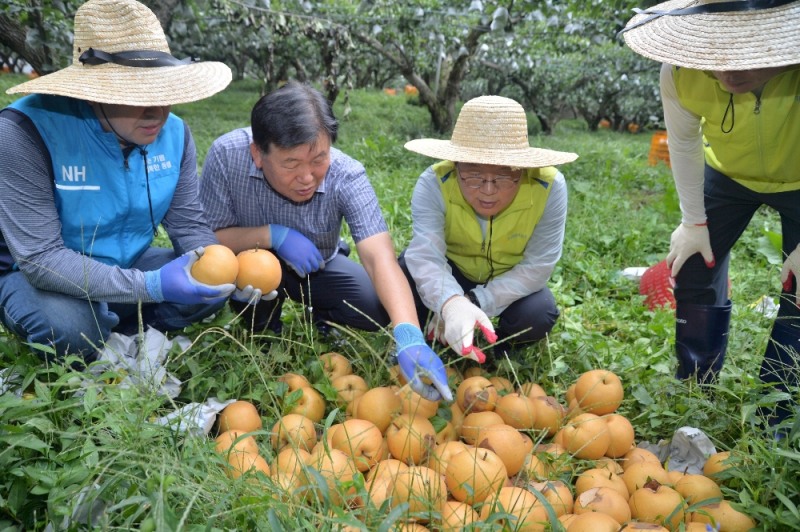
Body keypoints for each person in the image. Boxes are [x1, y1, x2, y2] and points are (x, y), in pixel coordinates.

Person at [0, 0, 238, 367]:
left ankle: (127, 333)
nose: (158, 112)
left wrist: (227, 271)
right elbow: (40, 259)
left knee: (210, 284)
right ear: (95, 91)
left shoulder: (174, 134)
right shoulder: (25, 132)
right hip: (38, 276)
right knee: (69, 326)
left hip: (130, 261)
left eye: (165, 93)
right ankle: (94, 327)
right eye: (139, 96)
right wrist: (150, 287)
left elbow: (189, 225)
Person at [198, 81, 451, 401]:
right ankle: (259, 322)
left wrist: (409, 335)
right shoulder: (227, 156)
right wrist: (272, 235)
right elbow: (210, 237)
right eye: (291, 163)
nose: (307, 177)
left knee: (372, 306)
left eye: (318, 158)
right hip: (250, 264)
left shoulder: (347, 175)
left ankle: (321, 315)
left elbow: (378, 257)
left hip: (316, 266)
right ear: (257, 154)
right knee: (244, 285)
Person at [621, 0, 800, 426]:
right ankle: (695, 381)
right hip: (727, 174)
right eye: (713, 56)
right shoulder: (680, 72)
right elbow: (683, 144)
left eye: (744, 57)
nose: (727, 73)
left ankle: (775, 411)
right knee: (695, 265)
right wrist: (692, 221)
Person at [400, 95, 578, 365]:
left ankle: (501, 347)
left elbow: (538, 266)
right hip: (454, 270)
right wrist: (449, 302)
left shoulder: (548, 187)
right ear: (456, 166)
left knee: (538, 313)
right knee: (404, 273)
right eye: (473, 177)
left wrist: (473, 300)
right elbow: (427, 256)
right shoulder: (434, 183)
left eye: (504, 177)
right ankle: (429, 334)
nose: (488, 190)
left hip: (509, 279)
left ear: (523, 170)